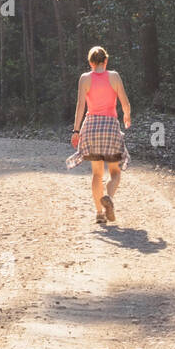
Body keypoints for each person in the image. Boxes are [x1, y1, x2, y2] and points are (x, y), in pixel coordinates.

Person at [66, 46, 131, 224]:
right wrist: (127, 115)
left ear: (90, 62)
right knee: (115, 172)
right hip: (110, 127)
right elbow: (125, 102)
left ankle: (99, 214)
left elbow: (80, 106)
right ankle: (108, 196)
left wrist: (76, 131)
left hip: (92, 127)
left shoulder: (85, 79)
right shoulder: (114, 76)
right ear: (106, 61)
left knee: (97, 174)